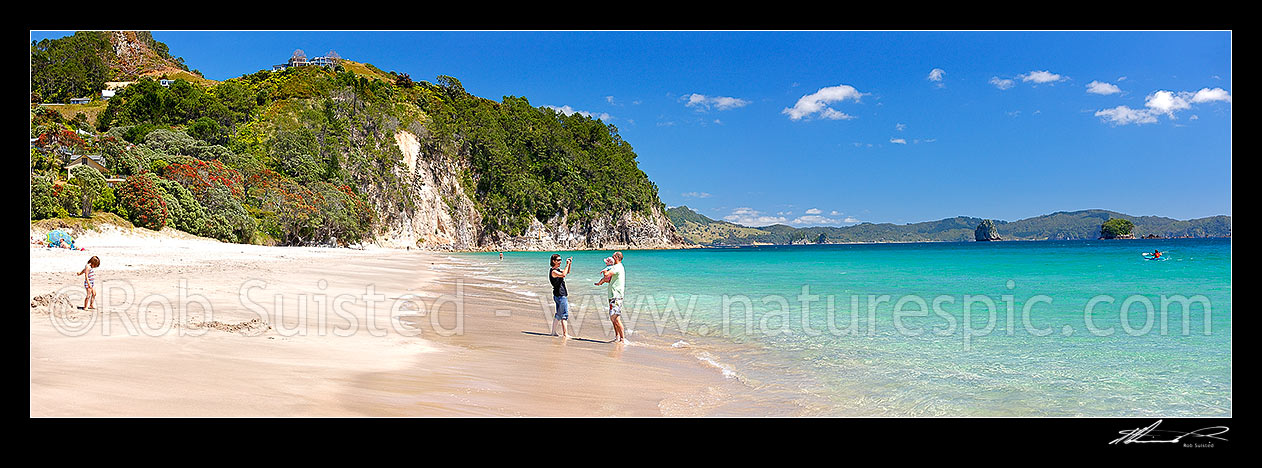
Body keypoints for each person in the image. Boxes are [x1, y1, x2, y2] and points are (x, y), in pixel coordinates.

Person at [595, 251, 626, 343]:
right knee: (613, 318)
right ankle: (617, 337)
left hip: (616, 296)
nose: (612, 259)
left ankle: (622, 339)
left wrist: (604, 271)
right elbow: (609, 279)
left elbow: (607, 275)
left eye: (613, 257)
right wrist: (601, 282)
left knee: (615, 317)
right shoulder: (616, 267)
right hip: (613, 295)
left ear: (616, 257)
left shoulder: (617, 267)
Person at [549, 254, 573, 338]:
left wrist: (569, 264)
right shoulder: (554, 271)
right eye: (558, 260)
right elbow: (563, 275)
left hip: (559, 294)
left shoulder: (557, 270)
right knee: (563, 314)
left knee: (561, 315)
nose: (560, 262)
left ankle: (557, 332)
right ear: (553, 261)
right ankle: (562, 333)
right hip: (560, 295)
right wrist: (567, 265)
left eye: (560, 260)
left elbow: (567, 272)